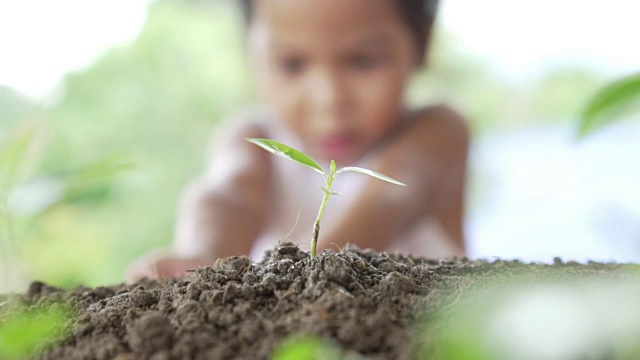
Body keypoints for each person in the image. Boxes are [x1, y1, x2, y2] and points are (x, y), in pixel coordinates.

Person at [127, 0, 469, 281]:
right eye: (292, 64)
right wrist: (202, 256)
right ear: (252, 52)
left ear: (422, 44)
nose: (329, 99)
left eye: (364, 61)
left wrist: (309, 269)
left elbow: (391, 199)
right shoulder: (254, 137)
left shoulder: (437, 131)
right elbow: (229, 194)